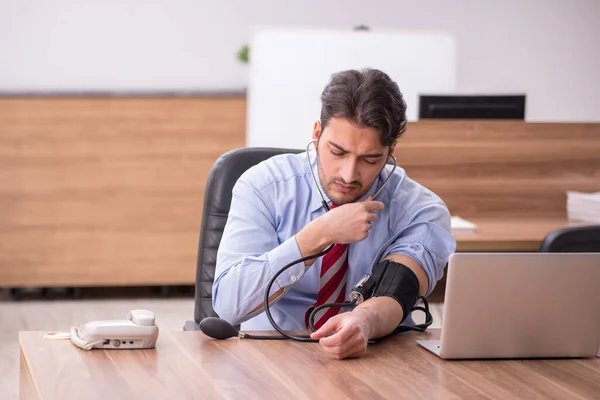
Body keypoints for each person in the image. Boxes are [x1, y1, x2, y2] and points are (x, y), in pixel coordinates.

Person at [213, 68, 456, 359]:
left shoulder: (420, 210)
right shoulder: (263, 187)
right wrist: (319, 235)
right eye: (338, 152)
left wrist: (363, 321)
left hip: (375, 356)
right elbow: (228, 306)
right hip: (269, 351)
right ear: (316, 134)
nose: (349, 174)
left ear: (391, 150)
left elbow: (396, 290)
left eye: (370, 159)